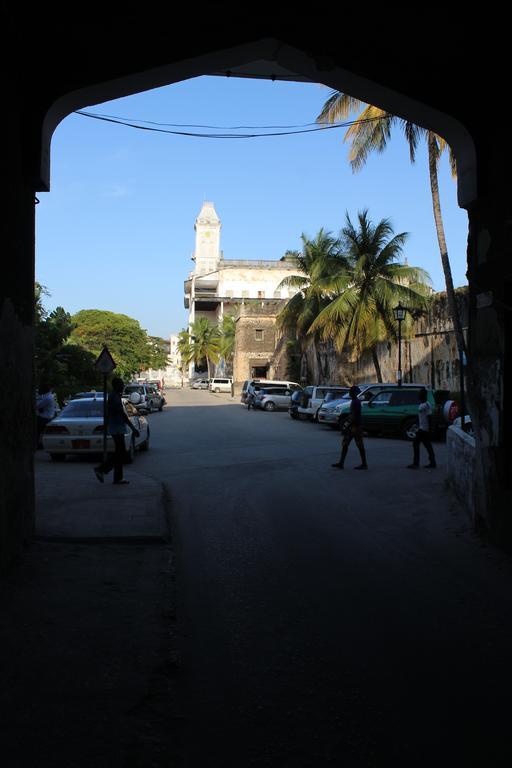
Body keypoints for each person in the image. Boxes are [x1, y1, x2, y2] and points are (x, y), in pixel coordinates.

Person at [94, 377, 139, 485]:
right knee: (121, 452)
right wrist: (133, 428)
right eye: (121, 384)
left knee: (120, 452)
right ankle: (101, 469)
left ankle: (117, 478)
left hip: (116, 426)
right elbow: (121, 414)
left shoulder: (115, 396)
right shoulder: (114, 397)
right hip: (116, 427)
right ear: (117, 386)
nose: (123, 386)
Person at [332, 385, 368, 470]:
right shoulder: (355, 401)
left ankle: (363, 464)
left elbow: (353, 416)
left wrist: (345, 426)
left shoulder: (355, 402)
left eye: (351, 392)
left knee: (352, 445)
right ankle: (343, 463)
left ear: (353, 393)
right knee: (350, 444)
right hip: (355, 426)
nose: (350, 393)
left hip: (355, 427)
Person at [407, 388, 436, 469]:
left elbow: (429, 418)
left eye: (419, 394)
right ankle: (432, 462)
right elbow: (420, 417)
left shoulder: (426, 405)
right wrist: (415, 424)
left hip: (424, 429)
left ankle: (416, 463)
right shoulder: (422, 404)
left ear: (422, 396)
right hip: (422, 428)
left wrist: (430, 430)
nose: (418, 396)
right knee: (427, 445)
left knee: (416, 444)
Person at [36, 381, 56, 448]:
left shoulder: (47, 398)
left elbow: (37, 406)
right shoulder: (49, 396)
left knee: (38, 432)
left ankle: (40, 444)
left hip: (44, 418)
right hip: (48, 417)